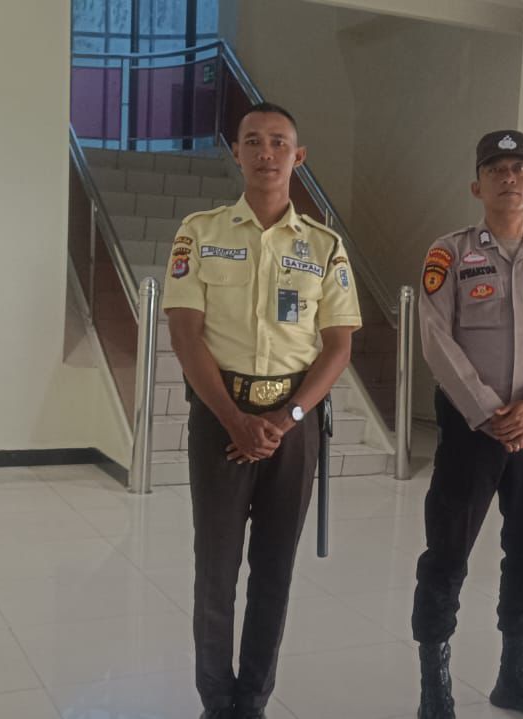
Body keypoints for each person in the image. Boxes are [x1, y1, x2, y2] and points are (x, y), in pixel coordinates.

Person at [162, 102, 362, 719]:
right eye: (253, 141)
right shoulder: (201, 233)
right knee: (216, 570)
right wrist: (233, 419)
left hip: (292, 427)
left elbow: (338, 347)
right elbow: (186, 334)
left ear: (298, 157)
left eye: (279, 142)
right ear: (237, 153)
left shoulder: (324, 246)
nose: (266, 153)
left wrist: (289, 419)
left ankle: (252, 699)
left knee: (275, 570)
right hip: (220, 418)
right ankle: (215, 699)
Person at [412, 130, 523, 719]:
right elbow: (435, 337)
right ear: (476, 185)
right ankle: (435, 686)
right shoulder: (450, 253)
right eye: (496, 169)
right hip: (472, 431)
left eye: (520, 169)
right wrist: (489, 411)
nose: (509, 178)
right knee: (447, 553)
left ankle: (516, 676)